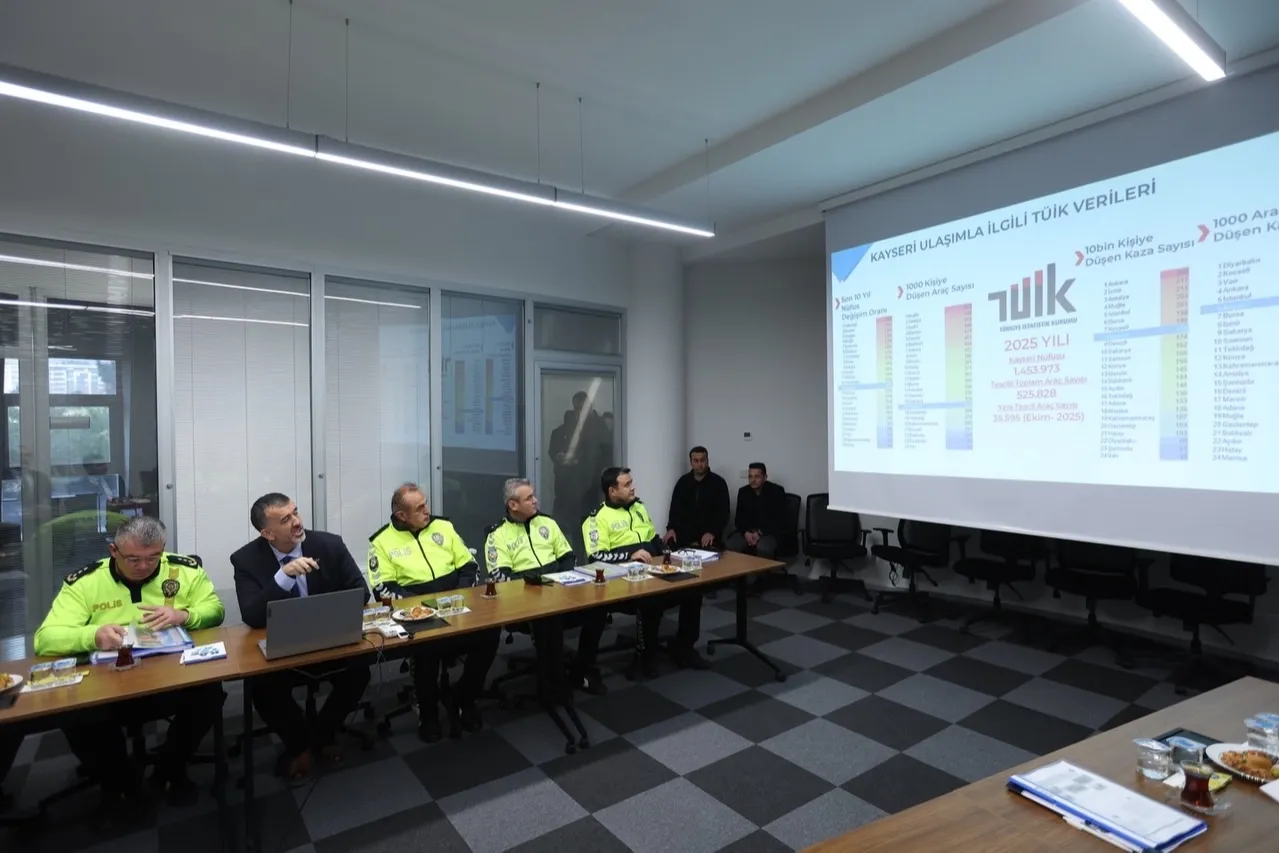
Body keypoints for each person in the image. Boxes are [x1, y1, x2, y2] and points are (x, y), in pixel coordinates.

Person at [32, 516, 225, 810]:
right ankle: (120, 781)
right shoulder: (86, 582)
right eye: (133, 559)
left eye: (153, 558)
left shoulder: (184, 570)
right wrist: (93, 636)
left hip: (170, 676)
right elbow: (45, 639)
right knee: (77, 712)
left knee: (209, 694)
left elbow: (215, 609)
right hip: (107, 683)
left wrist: (184, 616)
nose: (144, 566)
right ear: (114, 551)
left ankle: (170, 768)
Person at [232, 493, 371, 782]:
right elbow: (252, 615)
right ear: (267, 533)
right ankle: (299, 746)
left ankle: (323, 735)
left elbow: (361, 592)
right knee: (263, 688)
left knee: (359, 671)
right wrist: (282, 578)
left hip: (329, 640)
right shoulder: (246, 559)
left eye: (295, 513)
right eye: (286, 519)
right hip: (283, 647)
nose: (297, 522)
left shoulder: (329, 544)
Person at [369, 483, 500, 743]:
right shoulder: (381, 542)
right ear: (401, 515)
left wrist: (458, 596)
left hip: (457, 606)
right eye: (420, 508)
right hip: (417, 615)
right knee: (428, 648)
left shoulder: (444, 527)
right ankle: (428, 713)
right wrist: (424, 608)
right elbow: (384, 590)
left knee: (490, 633)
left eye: (426, 503)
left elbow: (470, 566)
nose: (427, 510)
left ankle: (465, 696)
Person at [484, 478, 608, 695]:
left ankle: (581, 669)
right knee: (549, 619)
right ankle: (552, 686)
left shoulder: (547, 523)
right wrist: (539, 585)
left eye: (534, 496)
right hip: (525, 601)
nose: (535, 501)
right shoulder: (498, 534)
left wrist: (559, 582)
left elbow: (568, 557)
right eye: (529, 498)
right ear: (513, 505)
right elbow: (502, 577)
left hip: (559, 590)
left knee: (597, 610)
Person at [584, 467, 707, 677]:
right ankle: (645, 656)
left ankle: (684, 647)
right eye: (627, 485)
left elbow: (652, 539)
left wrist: (670, 553)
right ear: (612, 491)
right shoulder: (597, 519)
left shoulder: (638, 507)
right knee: (651, 599)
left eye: (631, 482)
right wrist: (630, 554)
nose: (633, 488)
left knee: (693, 589)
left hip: (653, 570)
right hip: (623, 580)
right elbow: (596, 557)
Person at [663, 446, 730, 549]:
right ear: (691, 462)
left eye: (702, 460)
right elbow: (674, 509)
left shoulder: (718, 483)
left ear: (707, 461)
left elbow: (723, 513)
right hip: (685, 533)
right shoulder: (683, 482)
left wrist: (712, 532)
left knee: (709, 549)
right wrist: (671, 529)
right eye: (696, 461)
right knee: (668, 544)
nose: (700, 464)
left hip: (708, 534)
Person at [727, 462, 788, 557]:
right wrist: (746, 533)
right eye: (750, 477)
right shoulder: (743, 492)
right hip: (748, 531)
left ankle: (763, 568)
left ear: (765, 477)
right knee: (731, 545)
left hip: (769, 532)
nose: (753, 480)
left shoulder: (776, 491)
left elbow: (780, 520)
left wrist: (759, 533)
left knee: (763, 548)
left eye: (757, 477)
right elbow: (738, 519)